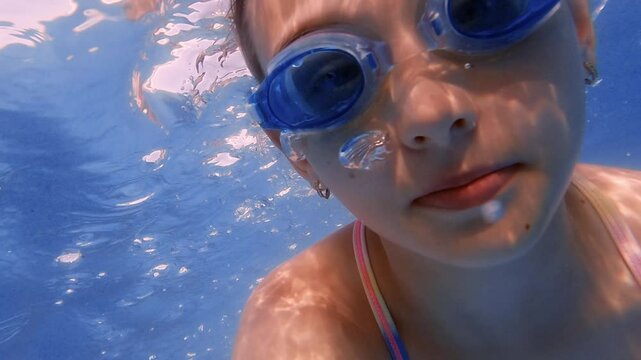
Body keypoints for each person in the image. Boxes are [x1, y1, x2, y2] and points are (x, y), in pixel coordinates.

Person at [230, 0, 641, 358]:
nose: (432, 114)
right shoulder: (301, 324)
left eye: (481, 8)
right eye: (329, 77)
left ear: (579, 24)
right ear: (297, 156)